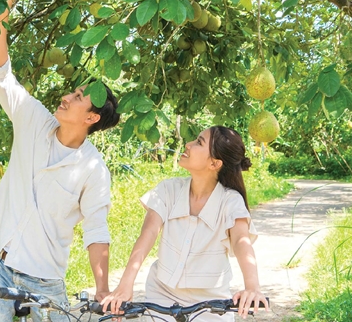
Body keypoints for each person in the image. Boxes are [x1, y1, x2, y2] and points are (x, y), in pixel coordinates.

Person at [0, 0, 121, 321]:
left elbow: (97, 229)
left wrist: (103, 288)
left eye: (78, 97)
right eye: (73, 91)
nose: (67, 97)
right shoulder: (34, 120)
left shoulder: (93, 170)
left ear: (92, 118)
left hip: (44, 280)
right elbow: (2, 74)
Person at [100, 126, 269, 321]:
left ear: (214, 163)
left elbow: (241, 242)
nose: (188, 145)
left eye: (199, 142)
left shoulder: (230, 201)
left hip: (211, 303)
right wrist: (124, 285)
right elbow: (147, 235)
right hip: (161, 294)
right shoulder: (168, 190)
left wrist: (253, 287)